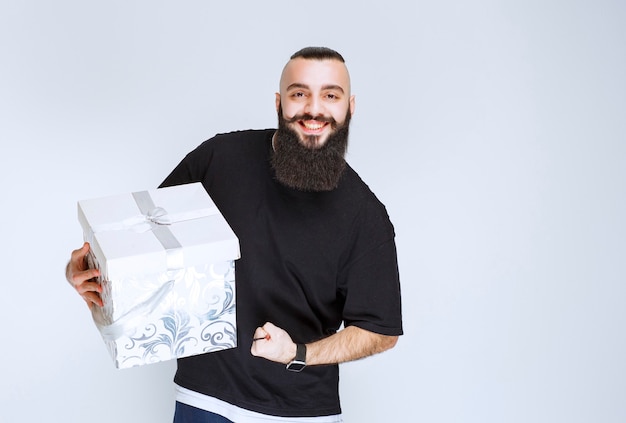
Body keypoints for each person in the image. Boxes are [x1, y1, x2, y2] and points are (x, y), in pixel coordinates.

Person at [66, 46, 403, 422]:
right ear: (279, 102)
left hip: (299, 413)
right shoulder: (219, 159)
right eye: (299, 93)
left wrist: (299, 353)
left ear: (349, 107)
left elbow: (380, 330)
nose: (314, 109)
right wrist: (84, 269)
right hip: (202, 400)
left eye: (330, 95)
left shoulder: (365, 216)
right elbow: (147, 242)